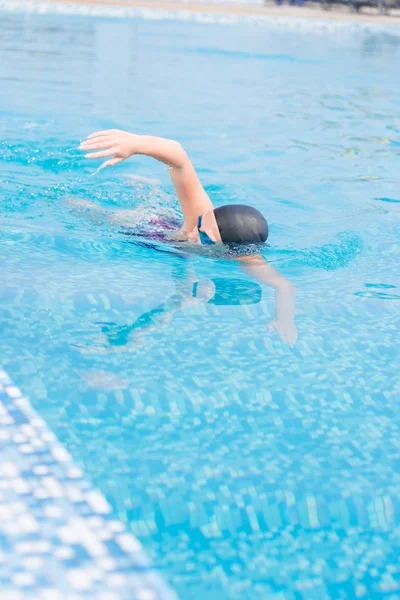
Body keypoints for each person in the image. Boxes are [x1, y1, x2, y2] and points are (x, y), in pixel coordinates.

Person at [78, 129, 297, 346]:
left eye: (204, 236)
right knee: (84, 211)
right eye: (201, 224)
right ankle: (143, 191)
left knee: (182, 298)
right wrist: (135, 144)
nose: (194, 232)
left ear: (230, 249)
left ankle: (146, 191)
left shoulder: (248, 259)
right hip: (155, 229)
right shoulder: (198, 218)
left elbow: (284, 286)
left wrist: (284, 319)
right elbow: (178, 155)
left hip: (178, 252)